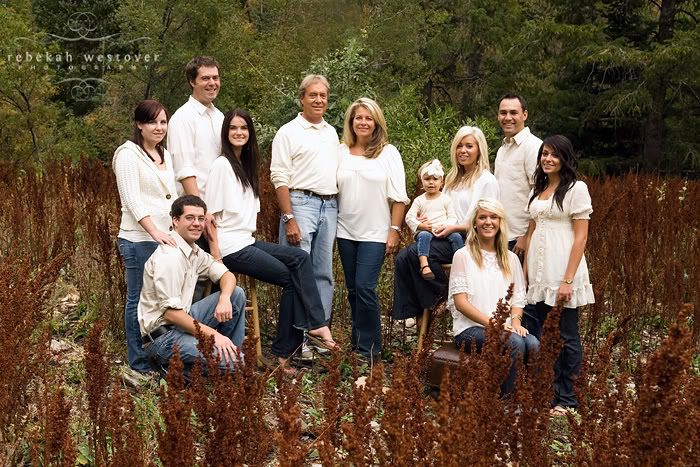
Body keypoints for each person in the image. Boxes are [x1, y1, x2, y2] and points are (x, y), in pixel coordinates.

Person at [205, 109, 338, 372]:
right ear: (226, 133)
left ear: (250, 133)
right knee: (290, 278)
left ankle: (314, 323)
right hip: (231, 247)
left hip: (246, 241)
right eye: (233, 128)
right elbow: (210, 217)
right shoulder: (222, 165)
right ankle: (286, 350)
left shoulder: (246, 166)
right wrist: (216, 258)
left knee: (299, 257)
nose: (239, 132)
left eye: (244, 128)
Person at [392, 126, 499, 323]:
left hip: (468, 239)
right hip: (442, 235)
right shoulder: (451, 179)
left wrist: (455, 228)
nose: (463, 151)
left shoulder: (486, 180)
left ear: (479, 150)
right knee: (402, 258)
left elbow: (489, 219)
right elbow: (435, 206)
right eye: (459, 146)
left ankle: (444, 293)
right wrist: (423, 220)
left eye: (469, 146)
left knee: (413, 254)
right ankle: (426, 305)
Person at [523, 135, 594, 414]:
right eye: (544, 154)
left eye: (554, 155)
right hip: (539, 273)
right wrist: (527, 272)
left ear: (565, 158)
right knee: (544, 334)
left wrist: (567, 280)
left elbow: (581, 237)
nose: (547, 159)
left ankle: (568, 398)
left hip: (563, 270)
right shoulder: (538, 189)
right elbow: (531, 232)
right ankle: (550, 392)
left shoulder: (576, 189)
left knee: (566, 335)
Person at [270, 74, 340, 359]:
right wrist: (289, 217)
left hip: (329, 205)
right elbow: (279, 177)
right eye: (313, 95)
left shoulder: (332, 132)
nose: (318, 100)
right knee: (298, 274)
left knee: (323, 274)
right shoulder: (288, 132)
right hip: (301, 203)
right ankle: (293, 341)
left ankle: (317, 339)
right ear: (302, 98)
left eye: (323, 95)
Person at [139, 195, 247, 373]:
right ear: (175, 220)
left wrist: (225, 298)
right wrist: (215, 335)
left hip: (183, 322)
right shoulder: (170, 257)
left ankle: (228, 357)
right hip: (163, 338)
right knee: (240, 363)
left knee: (236, 294)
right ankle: (182, 370)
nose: (196, 223)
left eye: (201, 219)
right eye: (189, 218)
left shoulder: (194, 251)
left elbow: (227, 275)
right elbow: (172, 315)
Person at [336, 98, 409, 361]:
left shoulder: (388, 153)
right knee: (353, 290)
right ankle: (358, 344)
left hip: (375, 233)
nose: (363, 122)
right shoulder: (341, 151)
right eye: (358, 118)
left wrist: (394, 229)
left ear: (376, 122)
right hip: (345, 231)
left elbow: (399, 197)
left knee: (366, 287)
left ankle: (371, 350)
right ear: (351, 122)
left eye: (368, 118)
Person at [113, 99, 178, 373]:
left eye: (163, 122)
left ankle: (158, 354)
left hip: (167, 239)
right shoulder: (127, 154)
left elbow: (172, 196)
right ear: (140, 124)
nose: (159, 127)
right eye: (153, 122)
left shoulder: (166, 154)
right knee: (137, 300)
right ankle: (138, 363)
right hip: (139, 240)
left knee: (162, 301)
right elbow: (132, 200)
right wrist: (155, 232)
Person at [449, 198, 539, 395]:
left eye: (493, 217)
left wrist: (515, 321)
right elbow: (461, 303)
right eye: (482, 217)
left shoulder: (511, 258)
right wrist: (495, 324)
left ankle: (529, 400)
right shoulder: (462, 256)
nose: (488, 222)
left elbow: (518, 297)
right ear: (474, 222)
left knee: (533, 344)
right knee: (514, 343)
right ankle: (508, 405)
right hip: (470, 329)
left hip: (505, 327)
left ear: (500, 223)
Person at [167, 56, 224, 200]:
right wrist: (201, 211)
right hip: (196, 208)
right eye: (205, 78)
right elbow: (184, 171)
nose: (212, 83)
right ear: (192, 82)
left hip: (221, 204)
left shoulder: (220, 117)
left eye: (215, 78)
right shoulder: (182, 118)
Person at [494, 94, 543, 256]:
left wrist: (526, 235)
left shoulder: (533, 147)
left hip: (520, 239)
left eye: (513, 113)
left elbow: (541, 193)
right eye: (503, 113)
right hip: (501, 235)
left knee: (521, 282)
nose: (508, 118)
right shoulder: (503, 149)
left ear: (525, 115)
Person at [404, 159, 463, 280]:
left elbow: (452, 216)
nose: (431, 183)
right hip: (426, 231)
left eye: (435, 179)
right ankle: (424, 265)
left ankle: (462, 263)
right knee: (424, 236)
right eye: (427, 179)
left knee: (456, 237)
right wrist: (421, 225)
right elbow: (409, 217)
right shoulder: (419, 200)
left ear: (442, 182)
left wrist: (446, 226)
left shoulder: (445, 199)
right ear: (422, 182)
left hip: (444, 231)